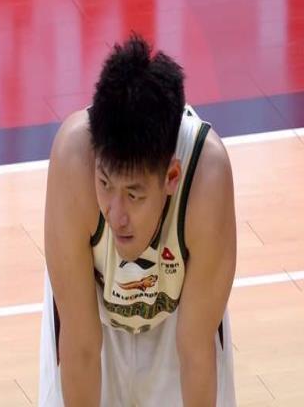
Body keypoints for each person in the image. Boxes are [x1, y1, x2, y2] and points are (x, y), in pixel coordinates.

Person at [39, 35, 237, 407]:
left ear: (172, 177)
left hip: (181, 315)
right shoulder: (73, 161)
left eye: (134, 194)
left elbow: (196, 352)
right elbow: (81, 348)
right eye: (105, 184)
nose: (116, 215)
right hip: (91, 308)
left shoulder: (206, 178)